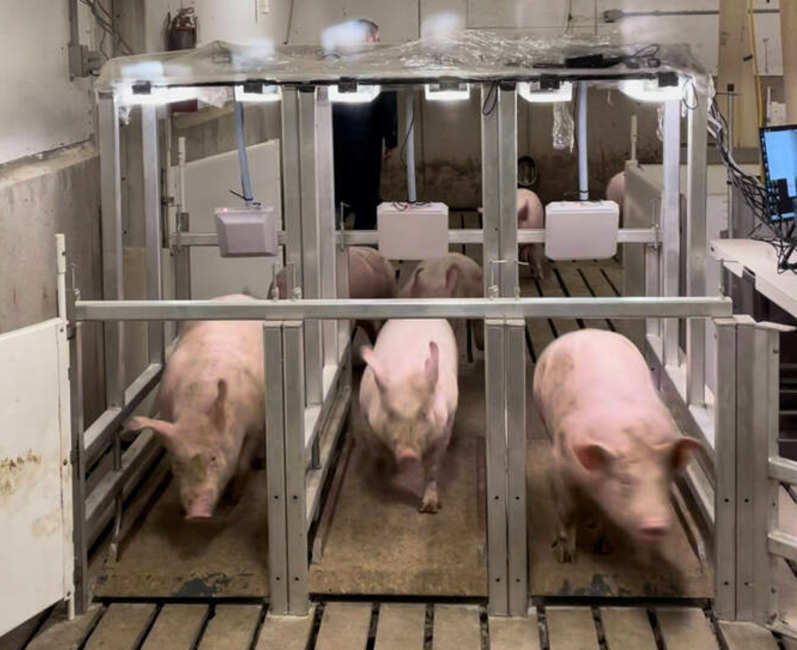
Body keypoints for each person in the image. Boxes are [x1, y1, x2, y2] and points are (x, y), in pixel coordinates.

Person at [332, 19, 398, 230]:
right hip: (368, 138)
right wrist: (391, 137)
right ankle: (365, 251)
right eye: (376, 39)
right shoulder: (378, 64)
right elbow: (387, 102)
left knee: (338, 190)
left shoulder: (334, 61)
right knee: (367, 195)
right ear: (368, 38)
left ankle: (333, 248)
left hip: (336, 138)